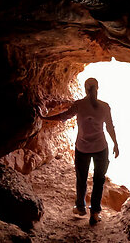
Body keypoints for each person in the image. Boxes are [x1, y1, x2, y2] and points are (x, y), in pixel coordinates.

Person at [39, 78, 119, 225]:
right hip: (101, 148)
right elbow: (110, 127)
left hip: (82, 147)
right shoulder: (104, 106)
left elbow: (63, 116)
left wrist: (44, 117)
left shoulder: (79, 105)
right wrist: (115, 143)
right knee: (99, 181)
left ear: (85, 88)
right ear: (98, 88)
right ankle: (94, 213)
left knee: (81, 179)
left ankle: (81, 207)